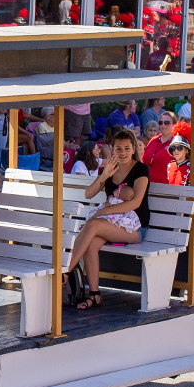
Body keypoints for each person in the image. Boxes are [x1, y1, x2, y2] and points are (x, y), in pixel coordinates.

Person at [64, 130, 150, 310]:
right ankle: (94, 295)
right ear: (112, 150)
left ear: (133, 149)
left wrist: (102, 212)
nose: (123, 152)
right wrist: (104, 175)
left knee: (93, 224)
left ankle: (65, 271)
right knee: (91, 243)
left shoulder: (140, 169)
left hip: (134, 228)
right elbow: (88, 194)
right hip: (112, 221)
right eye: (118, 149)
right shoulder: (110, 169)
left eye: (127, 148)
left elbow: (135, 202)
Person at [142, 110, 177, 184]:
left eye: (167, 123)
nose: (163, 125)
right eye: (160, 123)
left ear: (174, 124)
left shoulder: (177, 142)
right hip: (148, 184)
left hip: (168, 186)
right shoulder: (153, 140)